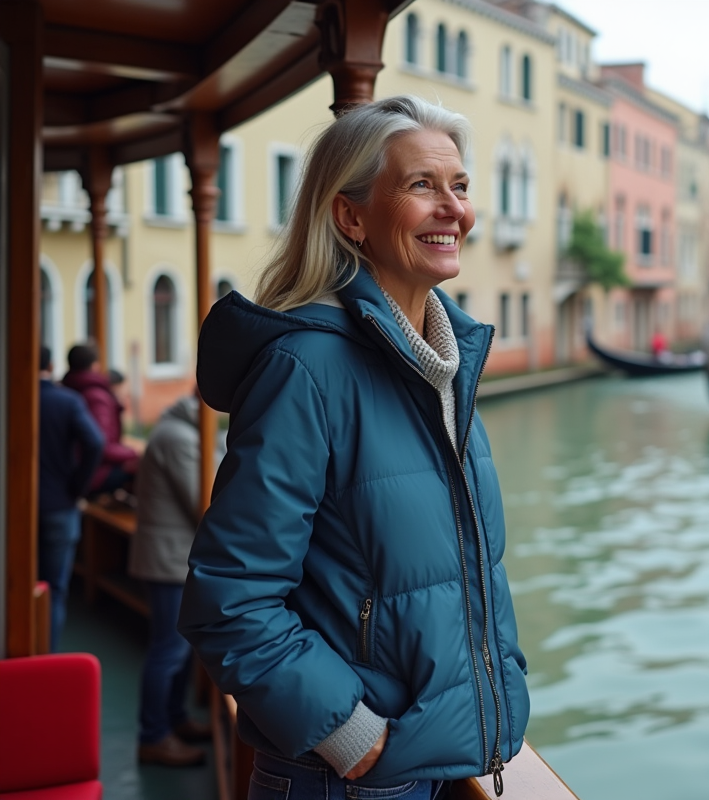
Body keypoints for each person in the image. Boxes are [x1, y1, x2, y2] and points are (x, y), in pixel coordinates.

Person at [179, 96, 529, 797]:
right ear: (350, 217)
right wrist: (353, 736)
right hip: (347, 781)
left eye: (459, 186)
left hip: (431, 765)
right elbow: (231, 601)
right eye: (421, 185)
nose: (452, 208)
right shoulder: (304, 372)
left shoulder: (445, 367)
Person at [129, 391, 218, 768]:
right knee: (168, 651)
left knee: (177, 651)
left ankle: (175, 721)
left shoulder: (176, 430)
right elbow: (205, 500)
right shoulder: (180, 439)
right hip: (169, 562)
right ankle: (153, 736)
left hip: (172, 558)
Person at [37, 346, 104, 652]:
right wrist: (78, 487)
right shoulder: (66, 402)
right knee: (54, 590)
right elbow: (95, 442)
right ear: (50, 364)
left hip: (15, 511)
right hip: (59, 505)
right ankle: (44, 659)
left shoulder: (12, 397)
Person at [61, 343, 139, 498]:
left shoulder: (68, 389)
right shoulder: (97, 396)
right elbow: (101, 444)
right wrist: (133, 454)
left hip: (71, 472)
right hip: (92, 475)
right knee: (139, 469)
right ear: (95, 366)